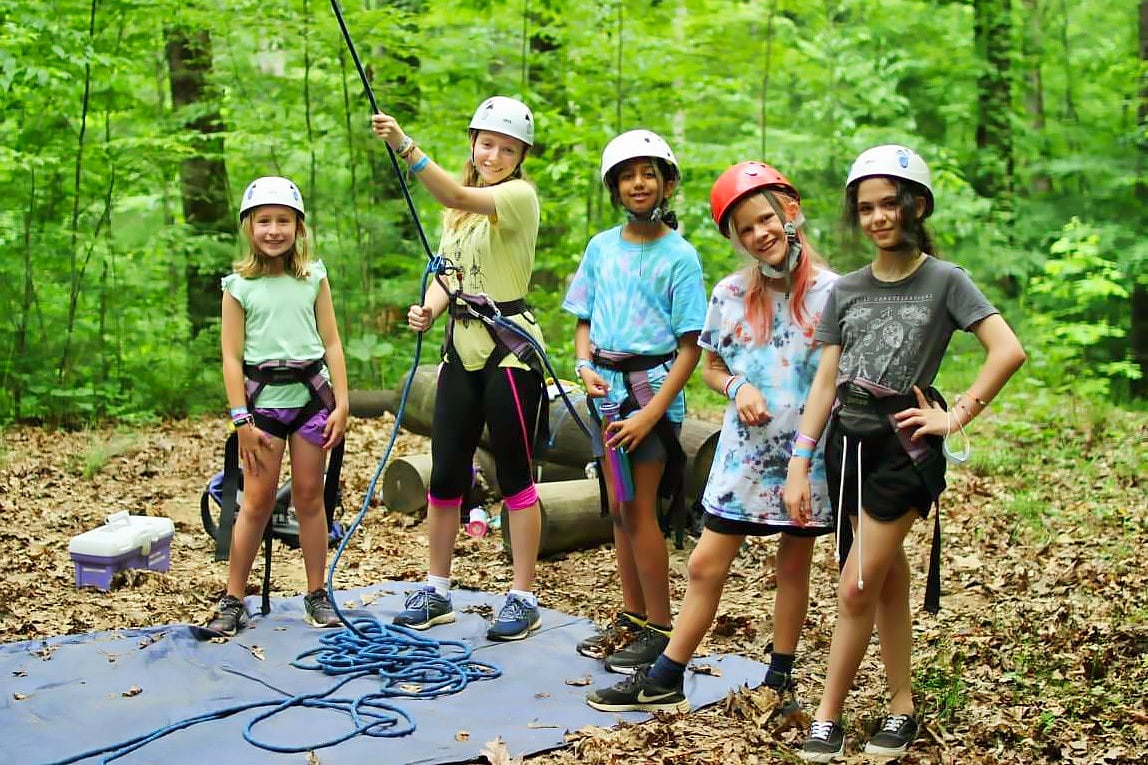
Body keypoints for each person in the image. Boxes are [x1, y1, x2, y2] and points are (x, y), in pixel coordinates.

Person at [785, 145, 1026, 761]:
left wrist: (956, 416)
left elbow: (1007, 350)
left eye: (890, 204)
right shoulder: (847, 289)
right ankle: (901, 706)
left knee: (856, 584)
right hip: (846, 447)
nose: (878, 217)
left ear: (916, 206)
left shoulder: (945, 280)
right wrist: (799, 461)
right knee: (886, 578)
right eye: (866, 207)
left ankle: (827, 717)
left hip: (903, 449)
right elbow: (825, 382)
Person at [585, 161, 837, 713]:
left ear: (790, 212)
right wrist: (738, 386)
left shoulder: (833, 294)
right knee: (704, 564)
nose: (759, 234)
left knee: (793, 566)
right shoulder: (730, 293)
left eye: (765, 219)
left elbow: (838, 375)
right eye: (745, 229)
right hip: (744, 455)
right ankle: (666, 675)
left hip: (807, 454)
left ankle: (780, 677)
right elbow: (712, 366)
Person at [371, 96, 549, 641]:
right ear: (473, 143)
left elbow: (451, 190)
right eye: (487, 144)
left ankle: (523, 595)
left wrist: (405, 146)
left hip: (509, 352)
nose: (494, 156)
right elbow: (449, 275)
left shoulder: (516, 197)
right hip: (460, 350)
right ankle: (437, 589)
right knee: (446, 472)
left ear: (520, 158)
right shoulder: (459, 216)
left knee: (515, 475)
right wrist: (431, 307)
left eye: (508, 149)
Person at [562, 129, 707, 675]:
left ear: (667, 184)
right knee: (620, 506)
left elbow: (691, 346)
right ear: (615, 187)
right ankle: (634, 613)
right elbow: (583, 318)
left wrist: (651, 413)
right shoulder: (601, 247)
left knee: (641, 508)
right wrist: (583, 366)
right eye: (627, 176)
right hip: (607, 393)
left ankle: (660, 626)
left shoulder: (680, 256)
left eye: (649, 174)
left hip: (650, 395)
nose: (638, 183)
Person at [202, 176, 350, 637]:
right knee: (257, 501)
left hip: (310, 401)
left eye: (283, 221)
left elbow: (331, 341)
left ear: (298, 227)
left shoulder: (313, 278)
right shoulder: (238, 286)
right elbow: (230, 357)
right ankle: (233, 598)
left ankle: (316, 593)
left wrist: (343, 402)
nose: (273, 230)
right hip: (262, 407)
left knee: (309, 496)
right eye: (264, 221)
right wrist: (240, 420)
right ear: (249, 227)